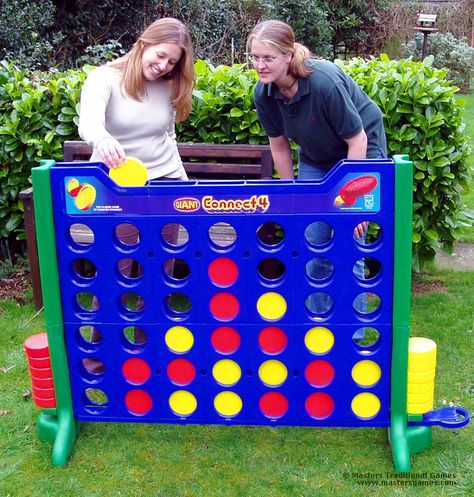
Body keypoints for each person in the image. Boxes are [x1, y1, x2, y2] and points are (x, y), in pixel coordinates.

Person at [247, 20, 387, 321]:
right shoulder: (264, 93)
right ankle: (320, 329)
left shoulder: (323, 82)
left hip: (361, 151)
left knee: (350, 240)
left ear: (288, 55)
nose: (260, 65)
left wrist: (352, 204)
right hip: (317, 159)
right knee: (314, 242)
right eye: (255, 57)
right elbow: (280, 145)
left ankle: (355, 335)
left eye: (268, 58)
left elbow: (357, 138)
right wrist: (290, 194)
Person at [77, 18, 196, 372]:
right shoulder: (104, 78)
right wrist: (103, 140)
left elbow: (167, 137)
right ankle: (98, 354)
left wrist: (181, 183)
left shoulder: (169, 84)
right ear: (143, 43)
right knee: (117, 270)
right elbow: (89, 124)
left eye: (172, 62)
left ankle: (148, 348)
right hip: (117, 189)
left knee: (161, 270)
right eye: (160, 56)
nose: (163, 67)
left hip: (166, 187)